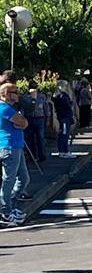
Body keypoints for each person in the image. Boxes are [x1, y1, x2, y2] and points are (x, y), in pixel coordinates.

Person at [0, 81, 31, 226]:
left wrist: (20, 122)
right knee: (8, 180)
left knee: (23, 179)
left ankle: (10, 206)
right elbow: (24, 123)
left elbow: (22, 123)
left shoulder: (10, 108)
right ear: (6, 94)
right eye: (15, 92)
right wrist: (20, 121)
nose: (18, 95)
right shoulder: (4, 108)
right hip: (9, 147)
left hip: (16, 146)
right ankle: (5, 212)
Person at [53, 81, 76, 159]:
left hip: (61, 117)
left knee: (62, 134)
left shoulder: (57, 96)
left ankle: (62, 151)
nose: (66, 87)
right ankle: (64, 151)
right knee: (64, 135)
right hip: (65, 117)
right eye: (65, 86)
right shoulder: (62, 96)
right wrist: (70, 103)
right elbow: (67, 105)